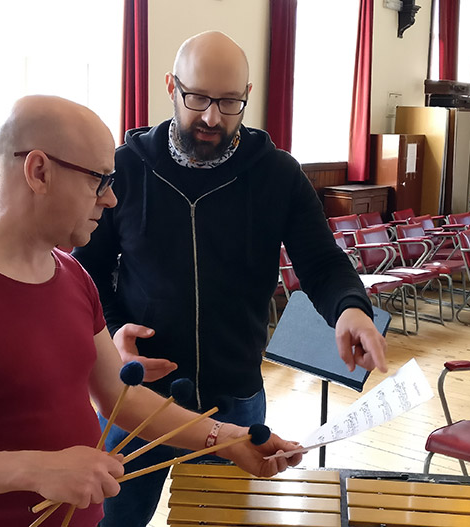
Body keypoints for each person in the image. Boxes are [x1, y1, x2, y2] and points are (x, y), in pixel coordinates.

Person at [0, 95, 303, 527]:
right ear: (39, 171)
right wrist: (36, 470)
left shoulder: (71, 275)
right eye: (100, 180)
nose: (110, 200)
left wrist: (227, 438)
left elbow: (119, 398)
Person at [72, 31, 389, 527]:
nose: (212, 117)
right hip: (137, 400)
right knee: (112, 522)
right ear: (171, 87)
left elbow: (323, 263)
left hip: (235, 397)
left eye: (229, 102)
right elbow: (85, 271)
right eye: (198, 98)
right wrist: (113, 331)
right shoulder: (127, 167)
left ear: (247, 97)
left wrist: (351, 308)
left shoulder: (277, 174)